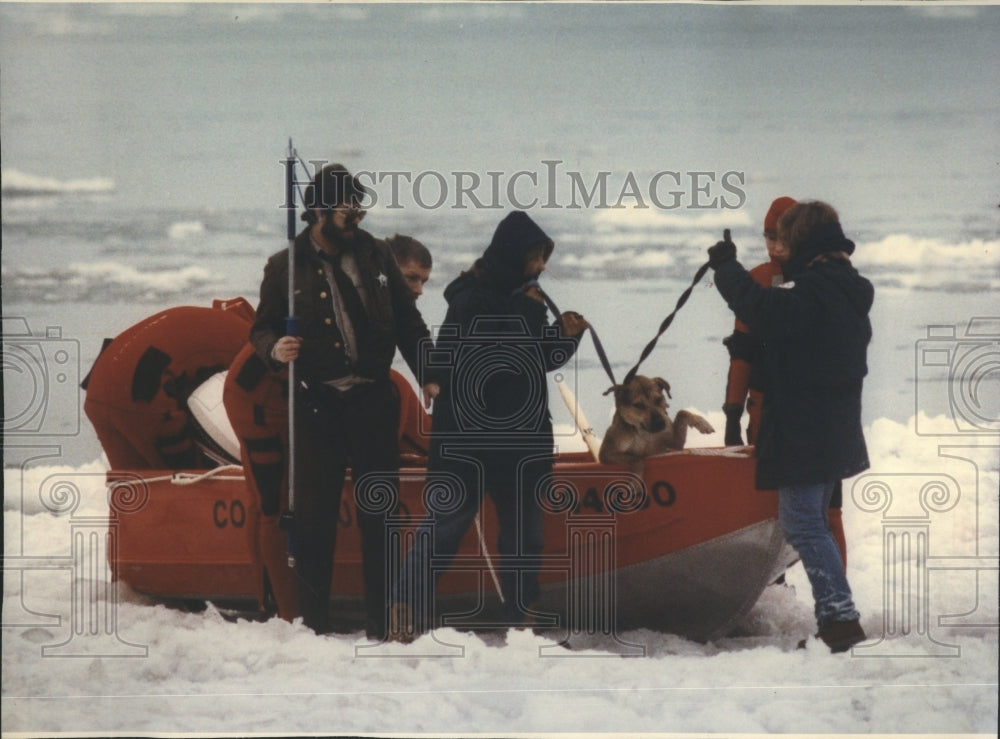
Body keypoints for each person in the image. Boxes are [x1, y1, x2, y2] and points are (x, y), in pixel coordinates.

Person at [249, 163, 438, 638]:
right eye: (345, 207)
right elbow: (261, 328)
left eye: (360, 205)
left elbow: (408, 319)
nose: (355, 214)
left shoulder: (375, 253)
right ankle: (315, 627)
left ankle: (381, 625)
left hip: (373, 401)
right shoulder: (283, 266)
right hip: (318, 406)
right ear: (318, 209)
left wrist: (429, 375)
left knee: (380, 515)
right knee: (314, 521)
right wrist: (275, 349)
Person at [390, 210, 589, 640]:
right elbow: (495, 363)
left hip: (521, 444)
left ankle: (522, 618)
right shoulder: (469, 300)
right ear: (510, 256)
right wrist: (533, 318)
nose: (539, 268)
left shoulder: (524, 297)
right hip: (468, 442)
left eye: (542, 260)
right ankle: (403, 613)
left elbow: (529, 362)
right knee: (442, 533)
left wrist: (564, 339)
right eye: (533, 258)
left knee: (525, 539)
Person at [707, 200, 871, 653]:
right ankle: (836, 618)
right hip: (833, 424)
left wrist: (725, 267)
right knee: (813, 521)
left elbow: (759, 306)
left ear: (806, 242)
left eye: (789, 238)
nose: (782, 247)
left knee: (803, 523)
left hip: (805, 428)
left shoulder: (813, 292)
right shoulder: (845, 288)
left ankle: (839, 620)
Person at [722, 197, 849, 567]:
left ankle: (839, 599)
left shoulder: (820, 281)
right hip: (766, 414)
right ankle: (774, 586)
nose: (775, 247)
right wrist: (732, 413)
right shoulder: (759, 279)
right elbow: (742, 351)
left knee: (829, 512)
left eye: (782, 238)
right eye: (768, 237)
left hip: (816, 413)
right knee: (769, 509)